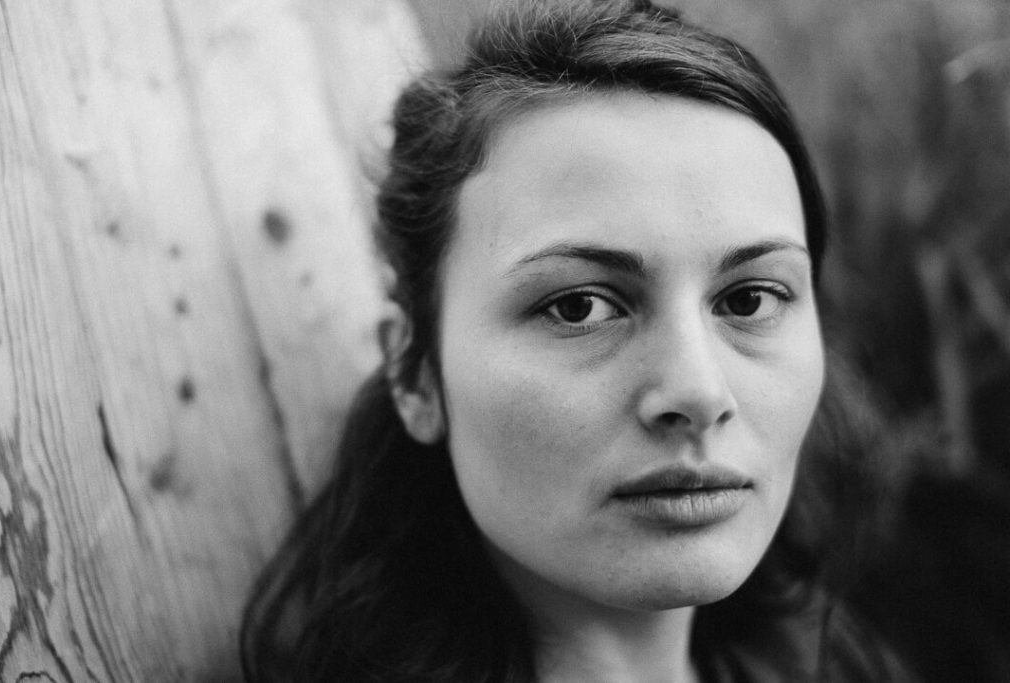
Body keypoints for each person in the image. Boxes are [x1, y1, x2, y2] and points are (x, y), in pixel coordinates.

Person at [241, 1, 914, 680]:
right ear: (415, 374)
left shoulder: (840, 661)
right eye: (579, 306)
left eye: (749, 299)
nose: (699, 390)